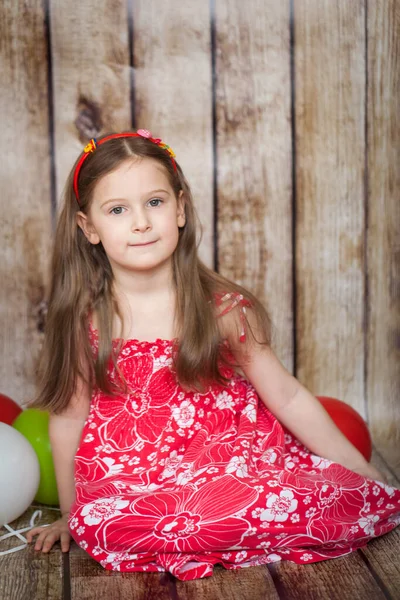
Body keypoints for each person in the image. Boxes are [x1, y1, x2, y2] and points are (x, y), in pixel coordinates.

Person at [26, 129, 400, 581]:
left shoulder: (222, 309)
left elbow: (287, 397)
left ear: (181, 209)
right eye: (118, 210)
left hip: (230, 468)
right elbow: (68, 418)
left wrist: (362, 472)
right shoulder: (86, 321)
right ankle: (196, 528)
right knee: (101, 521)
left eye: (156, 202)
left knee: (299, 498)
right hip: (137, 484)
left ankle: (231, 521)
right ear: (89, 228)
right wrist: (72, 514)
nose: (141, 222)